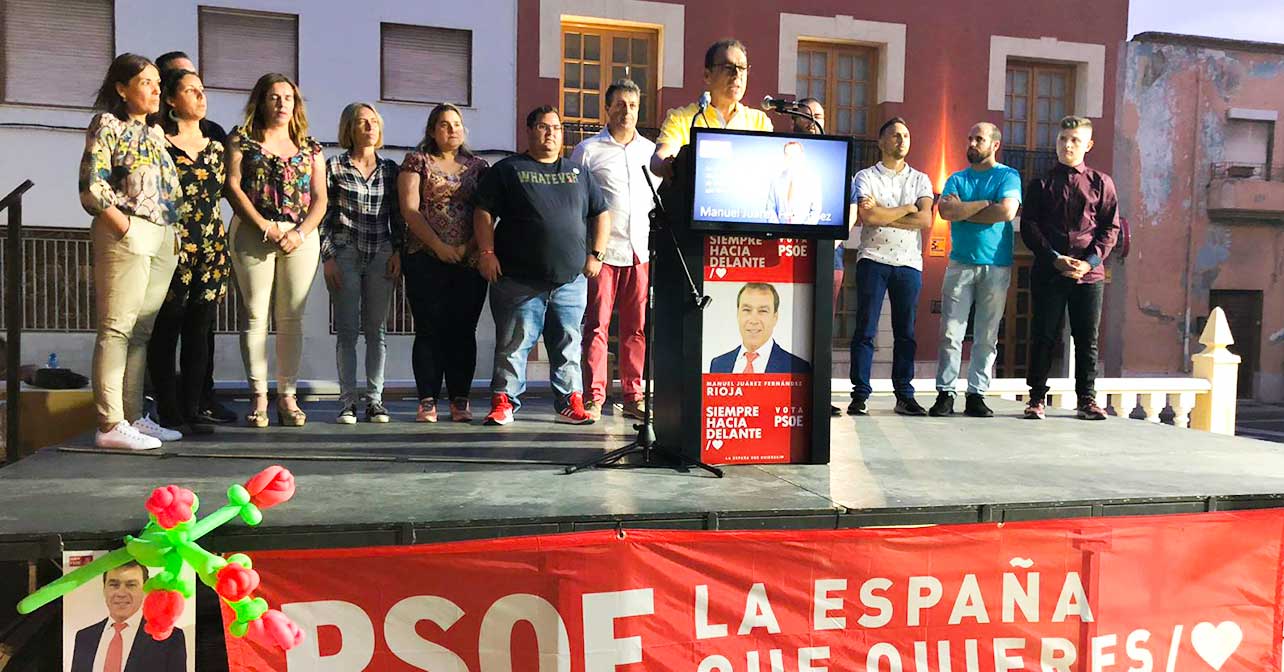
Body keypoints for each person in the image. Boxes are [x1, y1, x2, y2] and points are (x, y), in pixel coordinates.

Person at [474, 106, 610, 426]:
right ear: (529, 130)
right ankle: (504, 400)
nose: (550, 133)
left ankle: (569, 400)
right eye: (542, 127)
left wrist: (597, 254)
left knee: (567, 343)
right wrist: (486, 252)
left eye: (556, 128)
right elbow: (482, 212)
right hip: (518, 280)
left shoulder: (579, 173)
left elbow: (601, 212)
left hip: (570, 280)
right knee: (514, 344)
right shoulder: (508, 169)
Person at [80, 53, 183, 450]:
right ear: (122, 89)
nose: (157, 89)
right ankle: (110, 423)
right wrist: (122, 225)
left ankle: (134, 416)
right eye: (146, 82)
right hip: (126, 230)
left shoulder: (156, 134)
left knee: (141, 331)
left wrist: (172, 232)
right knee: (116, 327)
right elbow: (92, 182)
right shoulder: (108, 124)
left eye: (158, 83)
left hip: (160, 236)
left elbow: (168, 191)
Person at [225, 73, 327, 428]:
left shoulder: (311, 147)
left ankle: (287, 395)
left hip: (300, 236)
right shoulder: (241, 140)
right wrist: (264, 226)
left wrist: (299, 232)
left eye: (288, 97)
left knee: (291, 318)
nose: (282, 103)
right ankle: (259, 396)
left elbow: (320, 199)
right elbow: (233, 187)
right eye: (274, 97)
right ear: (261, 101)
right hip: (255, 232)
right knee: (254, 315)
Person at [155, 51, 237, 426]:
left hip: (210, 244)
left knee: (199, 331)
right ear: (171, 99)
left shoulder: (218, 142)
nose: (201, 97)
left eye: (202, 90)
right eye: (191, 90)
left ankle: (194, 408)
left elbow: (228, 190)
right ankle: (168, 411)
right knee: (167, 326)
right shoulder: (158, 139)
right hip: (171, 245)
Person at [1021, 115, 1119, 420]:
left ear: (1088, 145)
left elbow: (1110, 229)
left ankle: (1087, 399)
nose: (1067, 145)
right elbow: (1029, 226)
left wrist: (1088, 262)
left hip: (1089, 275)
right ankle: (1036, 398)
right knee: (1043, 334)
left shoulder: (1102, 183)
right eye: (1063, 139)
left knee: (1086, 338)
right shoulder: (1040, 183)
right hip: (1050, 271)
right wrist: (1054, 258)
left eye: (1075, 140)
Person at [569, 79, 655, 422]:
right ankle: (594, 397)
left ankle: (634, 395)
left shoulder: (650, 151)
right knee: (596, 327)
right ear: (607, 109)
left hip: (641, 252)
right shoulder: (588, 151)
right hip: (602, 253)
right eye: (619, 104)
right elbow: (576, 204)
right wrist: (588, 251)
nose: (626, 111)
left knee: (636, 329)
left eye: (632, 105)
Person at [931, 122, 1022, 418]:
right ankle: (945, 393)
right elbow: (946, 212)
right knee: (950, 332)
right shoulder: (957, 178)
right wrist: (985, 203)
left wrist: (966, 210)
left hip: (996, 265)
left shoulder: (1008, 175)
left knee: (986, 335)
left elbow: (1007, 211)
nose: (971, 143)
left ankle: (976, 394)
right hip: (959, 263)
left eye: (978, 139)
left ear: (995, 144)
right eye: (970, 138)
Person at [847, 117, 934, 416]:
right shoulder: (865, 176)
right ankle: (859, 395)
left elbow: (925, 220)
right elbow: (867, 218)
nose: (901, 140)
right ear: (881, 141)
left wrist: (888, 213)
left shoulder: (921, 179)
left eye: (906, 135)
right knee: (865, 329)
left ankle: (905, 395)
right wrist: (907, 209)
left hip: (909, 263)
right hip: (872, 258)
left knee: (905, 332)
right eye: (895, 135)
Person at [321, 103, 402, 424]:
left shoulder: (390, 170)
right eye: (361, 122)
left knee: (376, 331)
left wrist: (398, 250)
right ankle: (347, 402)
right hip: (345, 252)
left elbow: (398, 216)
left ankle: (375, 400)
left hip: (381, 251)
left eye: (373, 121)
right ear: (349, 129)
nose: (368, 126)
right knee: (347, 331)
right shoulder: (335, 167)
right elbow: (323, 216)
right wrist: (327, 257)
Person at [651, 39, 772, 178]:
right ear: (707, 75)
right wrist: (665, 163)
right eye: (728, 67)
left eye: (742, 68)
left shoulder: (759, 121)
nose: (737, 74)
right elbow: (661, 156)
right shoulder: (682, 118)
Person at [793, 98, 843, 416]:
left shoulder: (833, 160)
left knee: (820, 330)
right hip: (785, 255)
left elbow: (846, 213)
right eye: (807, 115)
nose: (813, 120)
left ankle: (819, 397)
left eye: (819, 115)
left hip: (827, 257)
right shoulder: (780, 155)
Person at [69, 562, 186, 672]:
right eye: (114, 585)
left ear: (144, 590)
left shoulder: (170, 638)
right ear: (104, 589)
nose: (121, 593)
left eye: (131, 585)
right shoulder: (84, 637)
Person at [709, 282, 810, 374]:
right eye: (747, 310)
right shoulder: (718, 365)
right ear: (737, 314)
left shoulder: (797, 368)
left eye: (763, 311)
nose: (753, 320)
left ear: (775, 317)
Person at [765, 141, 821, 224]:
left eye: (795, 155)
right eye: (788, 155)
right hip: (779, 233)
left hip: (803, 234)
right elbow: (770, 209)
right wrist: (777, 230)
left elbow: (816, 211)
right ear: (784, 157)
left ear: (802, 156)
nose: (791, 158)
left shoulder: (813, 181)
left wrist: (803, 233)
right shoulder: (776, 180)